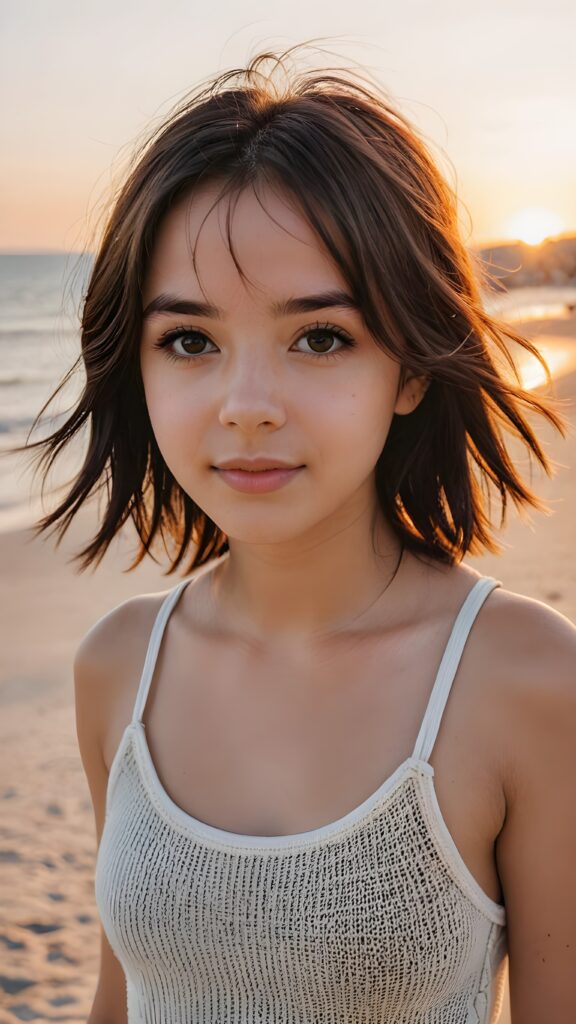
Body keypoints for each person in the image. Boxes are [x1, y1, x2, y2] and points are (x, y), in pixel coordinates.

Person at [17, 46, 576, 1024]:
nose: (245, 406)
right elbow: (122, 996)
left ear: (409, 368)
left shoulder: (525, 678)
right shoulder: (117, 667)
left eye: (320, 336)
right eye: (190, 339)